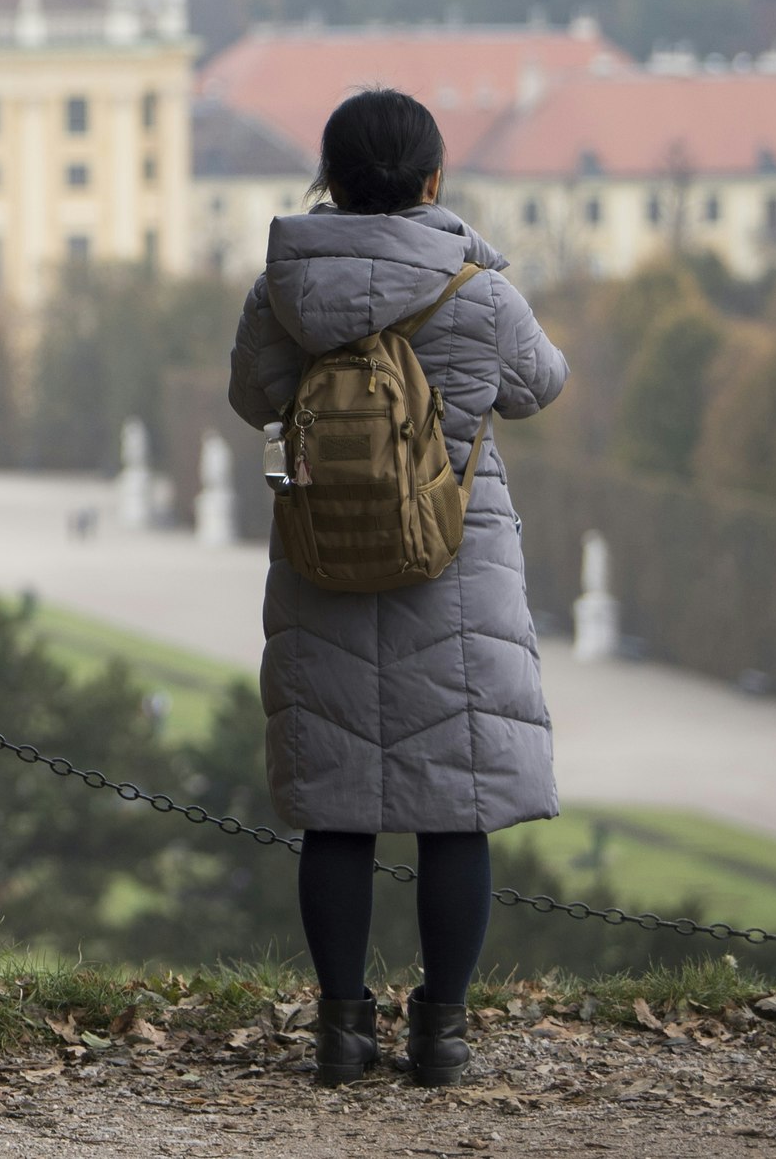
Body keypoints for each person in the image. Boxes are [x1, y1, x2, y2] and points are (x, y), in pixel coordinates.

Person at [230, 89, 568, 1091]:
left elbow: (252, 397)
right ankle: (442, 1033)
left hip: (323, 551)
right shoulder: (477, 288)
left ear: (328, 181)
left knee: (339, 808)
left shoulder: (280, 287)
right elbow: (538, 386)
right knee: (451, 810)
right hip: (453, 564)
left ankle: (340, 1030)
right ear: (433, 179)